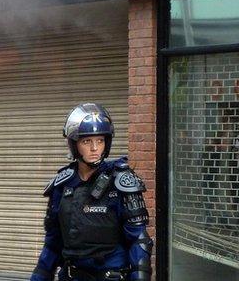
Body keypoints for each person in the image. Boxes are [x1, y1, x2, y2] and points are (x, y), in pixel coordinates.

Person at [31, 103, 152, 281]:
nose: (95, 148)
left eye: (100, 140)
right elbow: (52, 243)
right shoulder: (63, 185)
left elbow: (138, 241)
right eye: (87, 141)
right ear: (74, 144)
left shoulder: (121, 182)